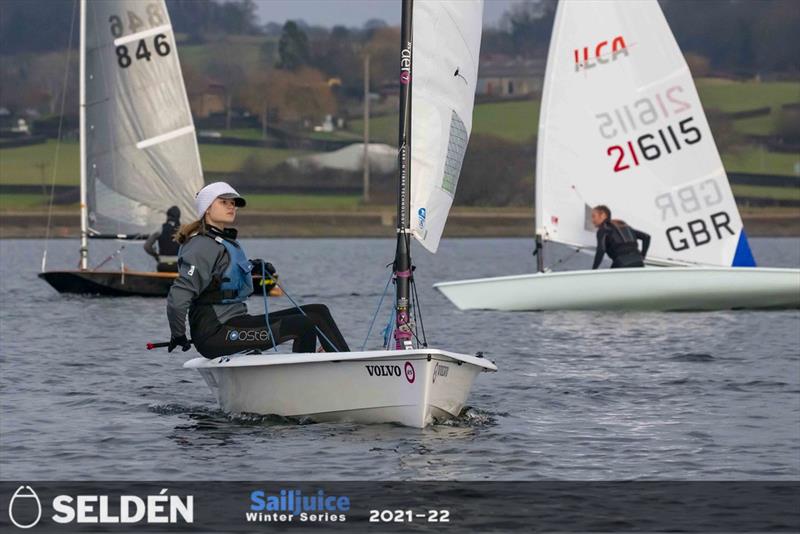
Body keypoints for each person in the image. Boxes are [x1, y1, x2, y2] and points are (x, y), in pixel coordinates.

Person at [166, 182, 350, 358]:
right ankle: (317, 375)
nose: (231, 207)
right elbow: (178, 297)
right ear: (207, 208)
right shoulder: (201, 246)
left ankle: (341, 362)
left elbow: (223, 274)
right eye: (223, 202)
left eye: (233, 203)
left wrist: (253, 266)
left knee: (317, 312)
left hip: (236, 323)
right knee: (304, 324)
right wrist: (178, 334)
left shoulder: (221, 241)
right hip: (216, 334)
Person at [590, 205, 651, 269]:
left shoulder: (603, 229)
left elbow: (601, 250)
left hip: (622, 263)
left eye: (594, 216)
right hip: (639, 262)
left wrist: (594, 269)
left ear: (603, 215)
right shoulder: (622, 225)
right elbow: (646, 237)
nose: (592, 220)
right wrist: (642, 256)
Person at [144, 206, 181, 272]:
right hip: (177, 266)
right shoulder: (183, 230)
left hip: (163, 265)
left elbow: (147, 246)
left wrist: (156, 255)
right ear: (178, 217)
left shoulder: (160, 228)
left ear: (168, 216)